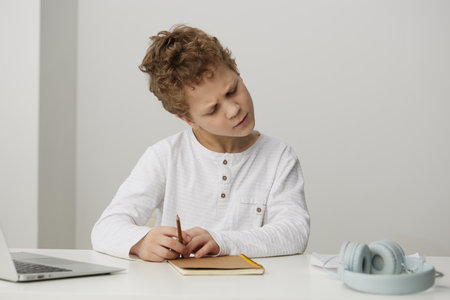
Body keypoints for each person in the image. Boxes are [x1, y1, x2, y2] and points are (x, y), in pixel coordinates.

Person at [91, 25, 310, 262]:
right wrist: (142, 242)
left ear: (237, 72)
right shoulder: (165, 156)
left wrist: (222, 241)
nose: (234, 109)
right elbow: (105, 229)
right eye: (213, 109)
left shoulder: (279, 157)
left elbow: (295, 232)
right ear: (188, 119)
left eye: (233, 90)